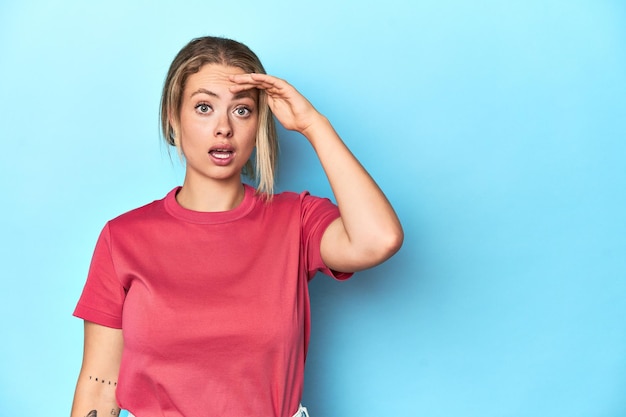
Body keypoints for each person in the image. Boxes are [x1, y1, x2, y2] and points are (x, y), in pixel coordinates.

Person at [70, 36, 403, 417]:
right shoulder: (123, 238)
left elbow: (379, 239)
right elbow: (99, 389)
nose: (223, 127)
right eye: (204, 107)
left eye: (242, 111)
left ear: (260, 122)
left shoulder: (296, 220)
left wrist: (313, 124)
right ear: (172, 118)